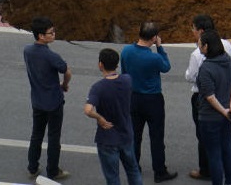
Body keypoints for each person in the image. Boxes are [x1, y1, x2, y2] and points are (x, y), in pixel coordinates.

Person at [120, 22, 177, 183]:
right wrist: (159, 47)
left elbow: (124, 72)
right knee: (157, 136)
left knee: (135, 135)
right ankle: (159, 171)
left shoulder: (126, 51)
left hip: (134, 97)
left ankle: (134, 167)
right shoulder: (154, 57)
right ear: (153, 38)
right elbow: (166, 67)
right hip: (153, 99)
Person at [184, 14, 231, 180]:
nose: (192, 32)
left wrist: (222, 110)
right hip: (225, 94)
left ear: (201, 32)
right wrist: (229, 109)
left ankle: (206, 169)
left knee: (205, 138)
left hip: (206, 103)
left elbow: (192, 77)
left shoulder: (200, 58)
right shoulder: (227, 48)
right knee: (227, 137)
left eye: (193, 29)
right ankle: (229, 163)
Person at [84, 48, 143, 185]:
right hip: (126, 134)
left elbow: (88, 110)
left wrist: (100, 118)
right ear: (117, 65)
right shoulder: (127, 80)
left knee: (112, 177)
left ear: (100, 65)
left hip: (108, 139)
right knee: (133, 170)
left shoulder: (98, 87)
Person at [23, 17, 72, 180]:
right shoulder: (52, 56)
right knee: (53, 137)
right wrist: (64, 84)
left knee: (36, 135)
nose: (54, 34)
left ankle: (32, 167)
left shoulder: (27, 51)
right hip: (53, 102)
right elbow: (67, 71)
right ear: (41, 35)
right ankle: (53, 170)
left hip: (37, 101)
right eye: (51, 32)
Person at [196, 29, 231, 185]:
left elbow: (209, 96)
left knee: (214, 155)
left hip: (209, 118)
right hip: (226, 118)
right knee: (227, 152)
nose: (198, 46)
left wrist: (223, 110)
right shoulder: (227, 60)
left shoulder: (206, 68)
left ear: (206, 46)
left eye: (200, 44)